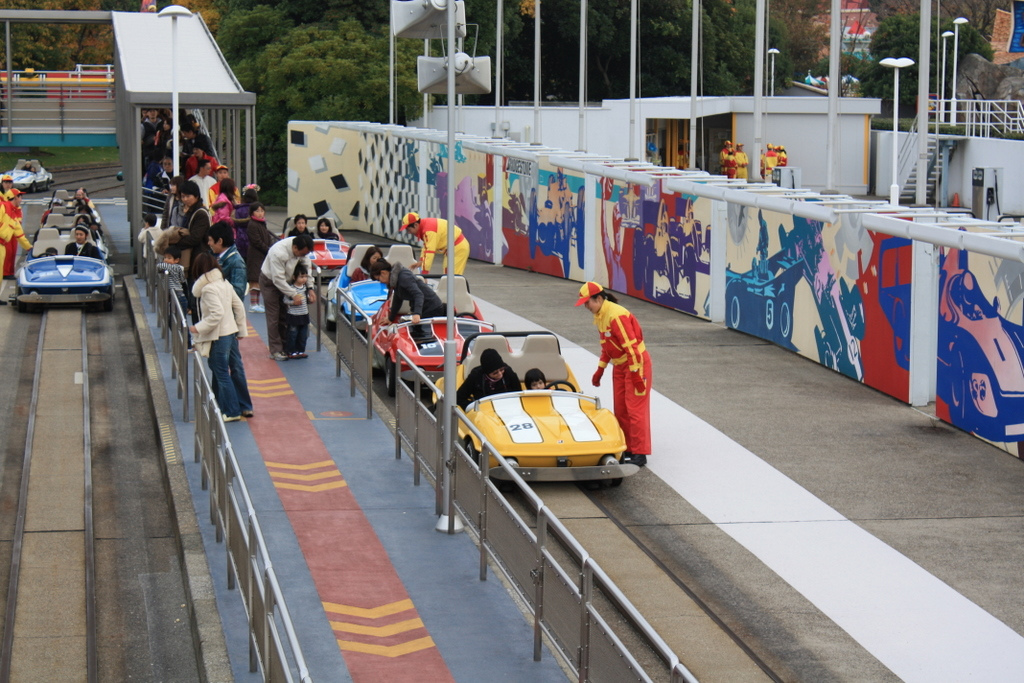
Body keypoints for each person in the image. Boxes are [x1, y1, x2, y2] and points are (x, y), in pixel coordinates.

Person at [576, 282, 651, 467]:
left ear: (599, 299)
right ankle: (628, 448)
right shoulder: (601, 315)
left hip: (636, 364)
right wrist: (600, 370)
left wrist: (635, 374)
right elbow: (607, 347)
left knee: (635, 410)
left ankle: (640, 453)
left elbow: (631, 348)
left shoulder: (616, 315)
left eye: (588, 303)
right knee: (621, 409)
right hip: (620, 366)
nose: (586, 307)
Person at [188, 253, 253, 422]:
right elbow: (238, 307)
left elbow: (216, 314)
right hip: (230, 332)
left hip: (218, 335)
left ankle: (231, 411)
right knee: (233, 368)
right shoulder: (224, 283)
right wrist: (240, 330)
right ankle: (239, 405)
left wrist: (197, 328)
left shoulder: (208, 289)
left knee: (220, 371)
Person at [259, 233, 315, 361]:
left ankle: (287, 346)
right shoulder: (278, 253)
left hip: (288, 282)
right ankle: (276, 350)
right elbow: (277, 279)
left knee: (286, 315)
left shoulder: (302, 250)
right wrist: (294, 294)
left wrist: (310, 288)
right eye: (301, 254)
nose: (302, 256)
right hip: (270, 282)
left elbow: (307, 269)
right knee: (274, 317)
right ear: (295, 248)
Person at [370, 258, 445, 329]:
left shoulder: (403, 277)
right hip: (423, 308)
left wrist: (417, 313)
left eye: (379, 279)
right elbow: (398, 298)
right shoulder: (396, 280)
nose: (381, 282)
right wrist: (391, 318)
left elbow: (418, 294)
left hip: (432, 308)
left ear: (383, 273)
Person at [401, 212, 469, 275]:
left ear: (415, 225)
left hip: (458, 247)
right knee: (449, 276)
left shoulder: (429, 230)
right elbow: (426, 246)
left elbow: (429, 251)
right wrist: (421, 262)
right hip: (455, 247)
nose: (409, 232)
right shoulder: (425, 226)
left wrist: (424, 274)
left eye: (408, 230)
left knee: (452, 278)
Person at [456, 348, 522, 409]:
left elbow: (519, 394)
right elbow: (459, 398)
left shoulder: (508, 372)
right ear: (487, 373)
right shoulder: (475, 376)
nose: (500, 374)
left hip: (507, 408)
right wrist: (475, 407)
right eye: (495, 373)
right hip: (484, 411)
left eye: (502, 370)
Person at [244, 202, 276, 312]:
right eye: (257, 211)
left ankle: (257, 303)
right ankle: (253, 304)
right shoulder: (252, 224)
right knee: (255, 279)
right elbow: (256, 241)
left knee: (259, 279)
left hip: (262, 255)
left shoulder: (262, 223)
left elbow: (267, 237)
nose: (260, 213)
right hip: (255, 255)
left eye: (262, 211)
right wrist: (268, 249)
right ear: (252, 212)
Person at [174, 180, 212, 270]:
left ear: (196, 196)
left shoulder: (200, 213)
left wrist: (176, 243)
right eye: (183, 196)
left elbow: (195, 238)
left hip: (199, 256)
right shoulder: (191, 210)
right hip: (192, 254)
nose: (185, 199)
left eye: (188, 196)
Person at [207, 221, 247, 299]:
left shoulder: (236, 261)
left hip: (227, 309)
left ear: (219, 241)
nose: (209, 243)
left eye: (210, 240)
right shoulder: (212, 256)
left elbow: (238, 291)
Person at [282, 264, 312, 359]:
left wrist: (309, 299)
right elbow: (285, 300)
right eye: (301, 277)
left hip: (304, 314)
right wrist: (293, 302)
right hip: (293, 315)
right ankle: (291, 351)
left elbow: (306, 299)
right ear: (294, 277)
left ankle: (301, 350)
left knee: (303, 335)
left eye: (305, 277)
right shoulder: (291, 289)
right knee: (292, 334)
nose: (304, 279)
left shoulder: (305, 288)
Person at [0, 189, 31, 276]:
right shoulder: (2, 206)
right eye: (20, 197)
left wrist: (30, 248)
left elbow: (20, 235)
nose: (21, 200)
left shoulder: (14, 215)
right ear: (15, 197)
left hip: (2, 245)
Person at [157, 245, 189, 314]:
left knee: (178, 317)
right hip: (178, 294)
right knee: (174, 316)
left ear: (176, 260)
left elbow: (159, 266)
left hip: (178, 295)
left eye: (169, 258)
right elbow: (182, 279)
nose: (165, 260)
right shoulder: (180, 268)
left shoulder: (175, 267)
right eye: (165, 257)